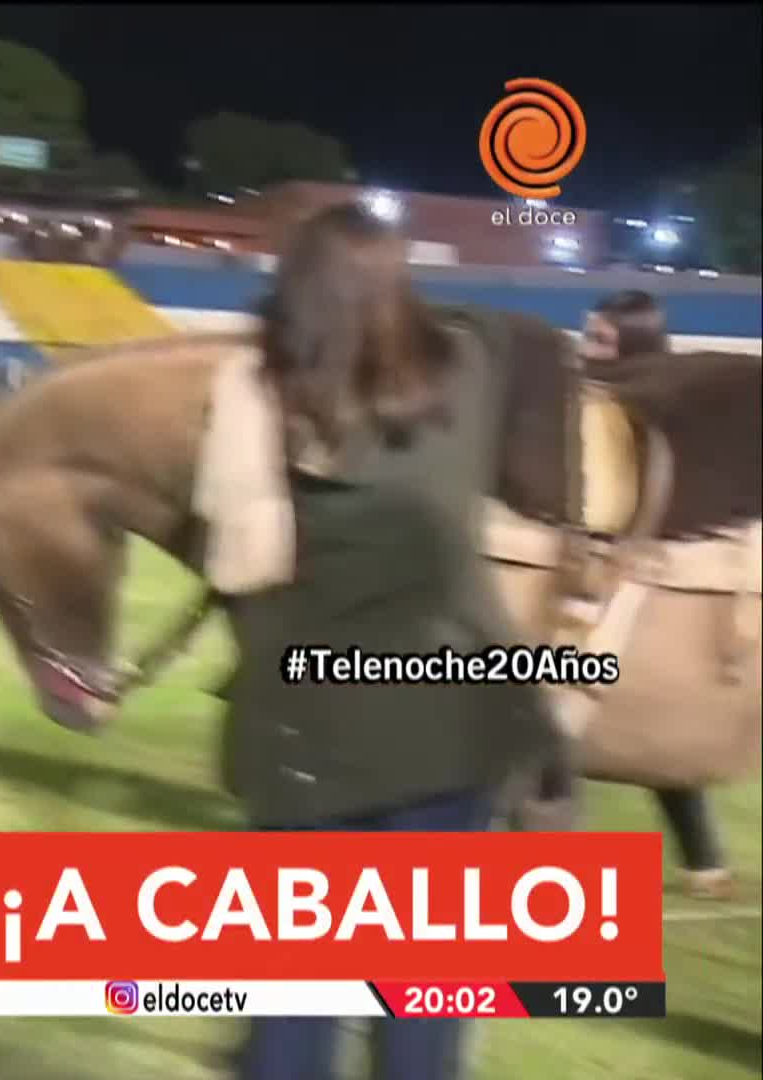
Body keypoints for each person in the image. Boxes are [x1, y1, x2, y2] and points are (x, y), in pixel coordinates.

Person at [208, 203, 558, 1080]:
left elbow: (245, 562)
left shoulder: (264, 389)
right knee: (423, 1013)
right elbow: (526, 334)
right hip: (462, 722)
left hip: (314, 733)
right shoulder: (471, 361)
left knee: (296, 1009)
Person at [577, 288, 733, 900]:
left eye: (600, 340)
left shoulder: (653, 407)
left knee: (566, 713)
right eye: (587, 334)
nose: (586, 348)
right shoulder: (596, 400)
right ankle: (705, 859)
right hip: (611, 572)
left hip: (640, 579)